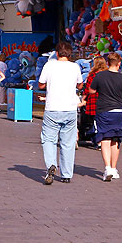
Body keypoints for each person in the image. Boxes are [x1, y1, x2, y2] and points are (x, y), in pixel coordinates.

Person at [38, 41, 83, 185]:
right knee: (68, 142)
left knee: (49, 139)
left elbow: (40, 84)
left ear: (57, 53)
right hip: (70, 108)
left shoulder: (49, 65)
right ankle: (66, 174)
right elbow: (80, 84)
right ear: (70, 54)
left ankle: (51, 164)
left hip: (52, 108)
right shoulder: (75, 67)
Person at [88, 53, 122, 182]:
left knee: (105, 139)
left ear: (107, 63)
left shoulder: (100, 76)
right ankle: (114, 168)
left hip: (103, 111)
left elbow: (91, 90)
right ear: (119, 64)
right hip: (118, 111)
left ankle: (107, 167)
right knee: (116, 139)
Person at [79, 56, 107, 145]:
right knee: (102, 122)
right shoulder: (107, 74)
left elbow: (88, 89)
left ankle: (97, 139)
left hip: (93, 101)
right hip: (105, 101)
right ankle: (102, 139)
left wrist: (82, 99)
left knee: (94, 121)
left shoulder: (92, 75)